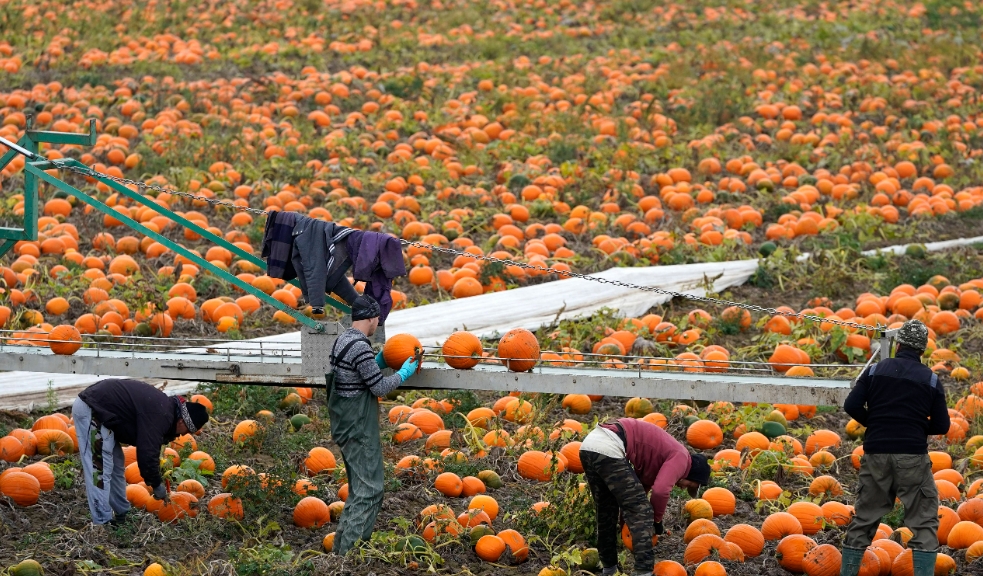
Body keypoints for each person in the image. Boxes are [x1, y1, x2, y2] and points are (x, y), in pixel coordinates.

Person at [840, 319, 950, 576]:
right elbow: (943, 425)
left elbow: (851, 405)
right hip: (912, 456)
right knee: (924, 521)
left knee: (864, 518)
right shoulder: (931, 380)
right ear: (922, 350)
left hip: (876, 453)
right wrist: (916, 428)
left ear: (898, 344)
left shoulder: (875, 371)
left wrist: (876, 424)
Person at [329, 294, 419, 554]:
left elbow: (356, 373)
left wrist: (378, 361)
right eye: (378, 317)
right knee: (370, 489)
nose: (379, 321)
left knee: (359, 488)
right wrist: (403, 373)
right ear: (369, 317)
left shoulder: (345, 339)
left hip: (345, 421)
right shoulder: (359, 346)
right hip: (358, 425)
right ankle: (350, 553)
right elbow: (378, 386)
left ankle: (341, 550)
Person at [579, 417, 712, 576]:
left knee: (606, 510)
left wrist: (625, 524)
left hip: (590, 445)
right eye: (690, 485)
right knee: (643, 512)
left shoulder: (656, 462)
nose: (683, 487)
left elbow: (631, 500)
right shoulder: (682, 457)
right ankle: (644, 572)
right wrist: (656, 520)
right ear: (693, 475)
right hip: (610, 446)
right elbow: (661, 491)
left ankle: (609, 569)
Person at [72, 379, 209, 525]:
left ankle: (122, 513)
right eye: (187, 431)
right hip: (93, 409)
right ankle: (101, 522)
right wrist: (156, 484)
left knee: (116, 464)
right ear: (182, 422)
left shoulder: (165, 410)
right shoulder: (161, 415)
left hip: (104, 412)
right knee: (99, 468)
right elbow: (147, 453)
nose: (182, 435)